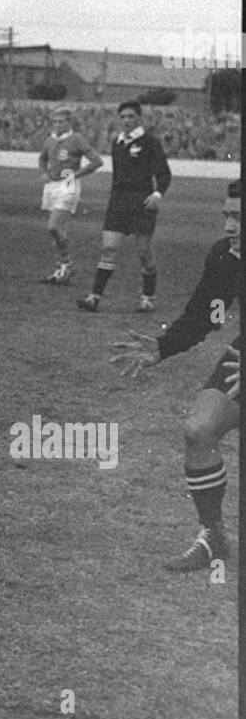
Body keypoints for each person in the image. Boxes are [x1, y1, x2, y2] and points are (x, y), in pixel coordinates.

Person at [110, 180, 240, 572]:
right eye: (226, 216)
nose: (230, 226)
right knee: (199, 431)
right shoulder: (225, 257)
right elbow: (207, 314)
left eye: (239, 217)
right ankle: (213, 536)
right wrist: (162, 348)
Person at [77, 100, 171, 313]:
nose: (127, 121)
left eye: (131, 117)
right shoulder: (117, 142)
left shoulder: (150, 142)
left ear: (139, 118)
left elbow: (164, 174)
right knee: (108, 248)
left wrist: (157, 194)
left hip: (142, 203)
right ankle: (94, 297)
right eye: (123, 117)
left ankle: (148, 297)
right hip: (118, 202)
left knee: (144, 252)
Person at [37, 106, 103, 284]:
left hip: (68, 183)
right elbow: (42, 158)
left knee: (54, 226)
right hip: (51, 185)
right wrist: (44, 172)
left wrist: (76, 175)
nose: (57, 124)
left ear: (70, 122)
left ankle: (67, 263)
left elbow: (97, 161)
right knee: (57, 230)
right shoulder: (50, 140)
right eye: (55, 121)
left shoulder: (77, 139)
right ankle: (61, 269)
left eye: (61, 121)